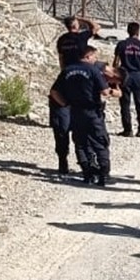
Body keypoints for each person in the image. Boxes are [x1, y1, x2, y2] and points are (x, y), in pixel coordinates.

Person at [49, 45, 119, 185]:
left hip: (75, 112)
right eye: (94, 56)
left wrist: (65, 104)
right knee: (100, 142)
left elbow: (54, 92)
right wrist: (115, 92)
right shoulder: (93, 70)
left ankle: (88, 174)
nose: (95, 59)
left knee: (81, 144)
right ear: (87, 56)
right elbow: (105, 92)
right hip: (92, 112)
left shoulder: (67, 70)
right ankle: (104, 175)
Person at [113, 22, 140, 137]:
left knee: (124, 103)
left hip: (125, 75)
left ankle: (128, 129)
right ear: (138, 32)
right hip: (138, 76)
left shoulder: (121, 44)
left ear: (128, 31)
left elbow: (116, 63)